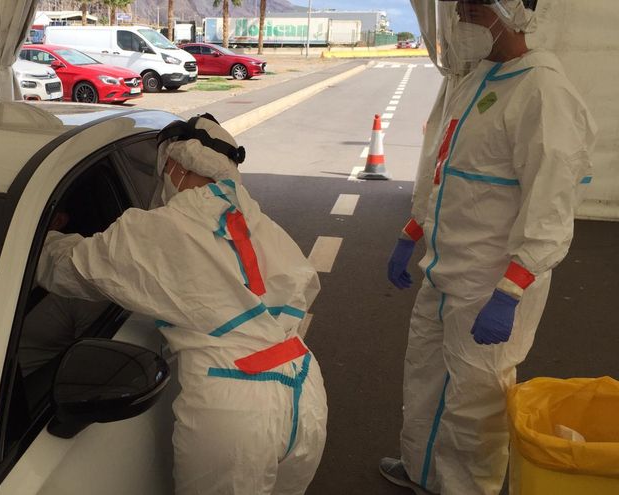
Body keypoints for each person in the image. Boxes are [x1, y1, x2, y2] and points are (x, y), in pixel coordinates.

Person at [35, 114, 328, 495]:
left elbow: (69, 268)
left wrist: (37, 239)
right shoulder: (257, 219)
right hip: (305, 388)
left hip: (233, 407)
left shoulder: (161, 228)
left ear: (176, 166)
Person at [380, 1, 597, 494]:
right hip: (445, 268)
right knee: (425, 377)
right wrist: (413, 230)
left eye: (475, 7)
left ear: (512, 11)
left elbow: (553, 200)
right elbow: (443, 166)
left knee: (476, 402)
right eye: (460, 7)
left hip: (490, 283)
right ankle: (423, 471)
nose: (462, 16)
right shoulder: (474, 79)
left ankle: (465, 489)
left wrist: (513, 288)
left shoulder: (543, 91)